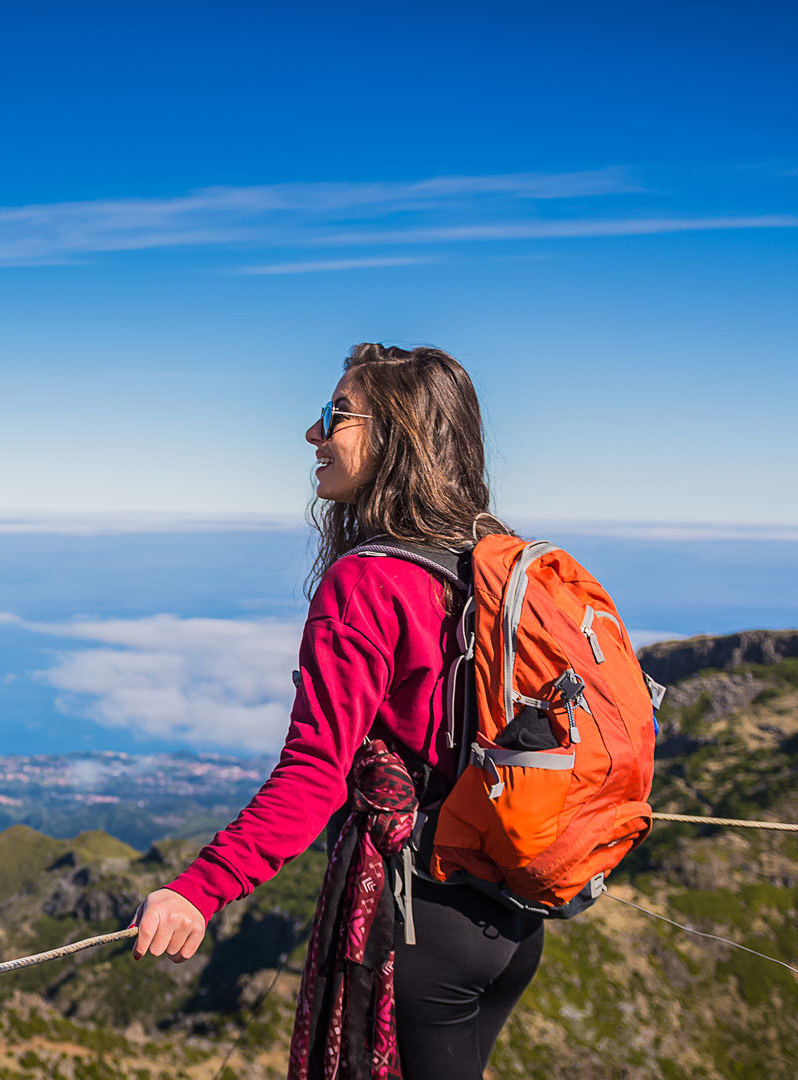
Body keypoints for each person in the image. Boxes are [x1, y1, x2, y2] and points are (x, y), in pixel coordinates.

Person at [129, 343, 544, 1080]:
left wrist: (199, 890)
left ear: (396, 434)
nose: (313, 434)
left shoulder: (370, 583)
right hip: (511, 917)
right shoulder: (494, 562)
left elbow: (314, 777)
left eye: (335, 415)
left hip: (420, 923)